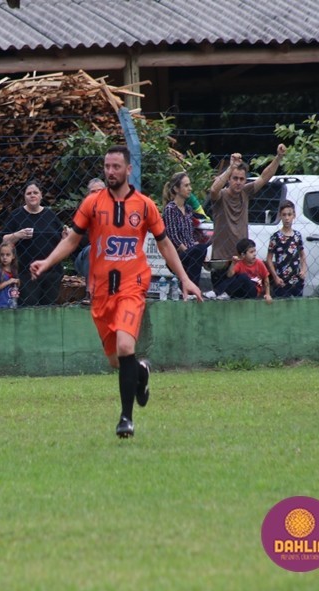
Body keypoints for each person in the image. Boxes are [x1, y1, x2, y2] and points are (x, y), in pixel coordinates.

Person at [30, 145, 202, 439]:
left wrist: (184, 278)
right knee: (116, 360)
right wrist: (47, 262)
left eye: (116, 167)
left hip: (132, 286)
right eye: (107, 167)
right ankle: (141, 372)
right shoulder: (92, 203)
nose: (110, 172)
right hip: (101, 292)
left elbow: (164, 243)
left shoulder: (145, 205)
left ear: (128, 169)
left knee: (124, 347)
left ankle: (126, 419)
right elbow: (72, 240)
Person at [208, 144, 287, 292]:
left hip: (242, 260)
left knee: (248, 292)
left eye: (242, 179)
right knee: (221, 296)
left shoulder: (245, 192)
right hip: (222, 261)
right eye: (235, 178)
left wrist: (278, 157)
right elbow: (213, 190)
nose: (238, 182)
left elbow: (264, 177)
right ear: (229, 179)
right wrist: (231, 167)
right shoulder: (221, 196)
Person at [0, 180, 67, 306]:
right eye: (29, 193)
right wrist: (17, 235)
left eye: (35, 192)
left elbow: (61, 241)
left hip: (52, 272)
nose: (32, 195)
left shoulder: (50, 215)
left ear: (41, 195)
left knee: (49, 309)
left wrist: (64, 238)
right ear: (24, 197)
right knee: (29, 308)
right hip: (26, 273)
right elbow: (2, 240)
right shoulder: (17, 215)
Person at [162, 172, 210, 287]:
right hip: (177, 255)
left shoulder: (188, 209)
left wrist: (194, 246)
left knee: (201, 248)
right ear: (176, 189)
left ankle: (190, 287)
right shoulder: (170, 209)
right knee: (199, 250)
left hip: (190, 251)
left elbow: (190, 234)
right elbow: (173, 237)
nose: (190, 189)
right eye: (186, 185)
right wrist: (190, 249)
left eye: (190, 185)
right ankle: (192, 287)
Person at [266, 200, 306, 298]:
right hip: (281, 280)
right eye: (284, 215)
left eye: (289, 214)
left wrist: (303, 270)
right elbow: (269, 259)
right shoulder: (275, 237)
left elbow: (302, 254)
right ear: (280, 216)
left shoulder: (297, 235)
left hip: (296, 279)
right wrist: (275, 277)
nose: (287, 218)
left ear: (294, 215)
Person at [219, 238, 272, 302]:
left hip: (253, 291)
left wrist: (268, 294)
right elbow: (229, 275)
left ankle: (224, 293)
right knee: (233, 278)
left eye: (254, 251)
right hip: (241, 291)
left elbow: (266, 278)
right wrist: (233, 263)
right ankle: (217, 293)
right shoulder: (240, 263)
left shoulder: (259, 263)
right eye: (251, 252)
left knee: (243, 277)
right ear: (243, 255)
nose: (254, 254)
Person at [0, 240, 20, 308]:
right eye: (2, 255)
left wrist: (17, 284)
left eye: (8, 255)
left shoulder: (14, 270)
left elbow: (16, 285)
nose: (4, 257)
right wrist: (9, 281)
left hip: (11, 304)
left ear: (13, 256)